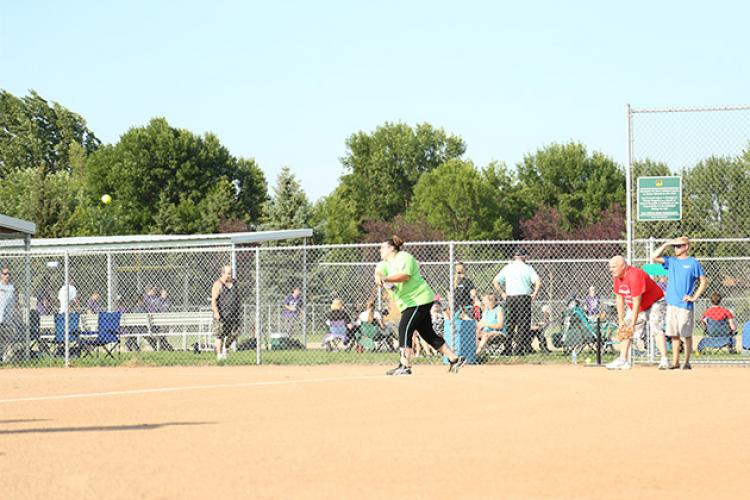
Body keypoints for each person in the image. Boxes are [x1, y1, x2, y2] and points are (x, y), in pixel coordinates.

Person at [374, 235, 465, 375]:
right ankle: (454, 359)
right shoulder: (383, 263)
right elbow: (379, 272)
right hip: (407, 302)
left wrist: (385, 278)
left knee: (404, 329)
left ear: (391, 248)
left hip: (418, 299)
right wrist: (378, 276)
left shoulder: (404, 257)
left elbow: (405, 275)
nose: (380, 250)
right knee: (428, 334)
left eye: (382, 247)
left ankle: (405, 365)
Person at [652, 236, 707, 370]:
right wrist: (666, 244)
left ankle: (687, 362)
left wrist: (694, 297)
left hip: (684, 305)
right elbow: (654, 257)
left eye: (679, 246)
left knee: (685, 334)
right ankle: (675, 362)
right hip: (671, 304)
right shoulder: (672, 261)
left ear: (686, 247)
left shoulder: (693, 263)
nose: (676, 248)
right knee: (674, 334)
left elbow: (703, 281)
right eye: (675, 246)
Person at [606, 256, 664, 370]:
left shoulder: (635, 276)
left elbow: (637, 301)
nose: (611, 270)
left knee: (655, 328)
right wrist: (621, 320)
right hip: (637, 304)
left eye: (613, 267)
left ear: (623, 267)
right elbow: (619, 299)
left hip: (654, 302)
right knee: (625, 328)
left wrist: (633, 323)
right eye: (610, 267)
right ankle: (623, 360)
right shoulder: (617, 277)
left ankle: (664, 360)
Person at [492, 249, 541, 355]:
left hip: (510, 298)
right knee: (523, 324)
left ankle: (508, 348)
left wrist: (502, 293)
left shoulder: (508, 267)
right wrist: (534, 293)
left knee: (510, 323)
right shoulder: (528, 268)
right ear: (524, 257)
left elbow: (495, 281)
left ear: (514, 257)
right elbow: (538, 281)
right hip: (524, 298)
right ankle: (519, 349)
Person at [211, 265, 242, 360]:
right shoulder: (218, 284)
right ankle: (219, 355)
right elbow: (214, 300)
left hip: (233, 314)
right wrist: (216, 312)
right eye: (228, 273)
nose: (229, 275)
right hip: (221, 314)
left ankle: (225, 348)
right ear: (222, 274)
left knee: (236, 332)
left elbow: (238, 297)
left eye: (231, 273)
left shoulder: (235, 283)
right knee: (220, 334)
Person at [0, 267, 18, 363]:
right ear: (0, 275)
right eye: (4, 273)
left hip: (8, 319)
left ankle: (4, 358)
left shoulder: (12, 288)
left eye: (8, 273)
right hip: (0, 317)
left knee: (6, 339)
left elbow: (15, 303)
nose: (7, 275)